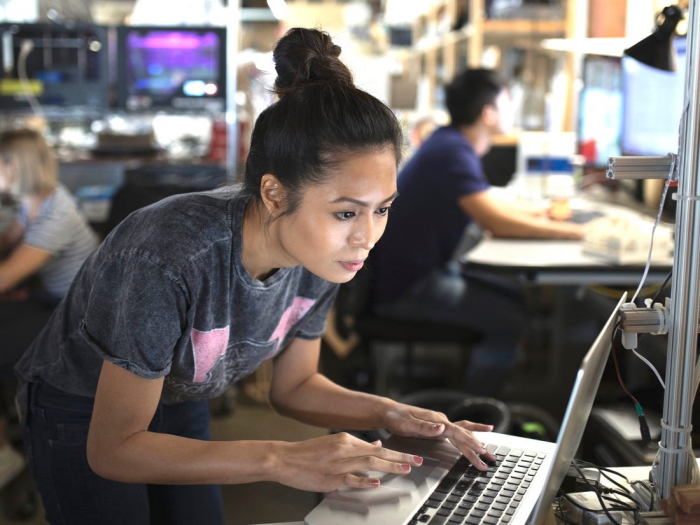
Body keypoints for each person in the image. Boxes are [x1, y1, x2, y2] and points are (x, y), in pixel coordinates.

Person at [14, 29, 495, 525]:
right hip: (83, 407)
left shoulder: (323, 255)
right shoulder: (171, 254)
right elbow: (114, 449)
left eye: (383, 210)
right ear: (274, 194)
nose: (367, 237)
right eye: (348, 213)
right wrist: (281, 459)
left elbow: (295, 385)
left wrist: (389, 414)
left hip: (178, 395)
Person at [371, 68, 585, 397]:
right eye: (507, 103)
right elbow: (496, 222)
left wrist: (543, 214)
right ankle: (480, 414)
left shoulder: (449, 143)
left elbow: (489, 203)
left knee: (515, 297)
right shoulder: (452, 152)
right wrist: (577, 234)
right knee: (511, 318)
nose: (511, 111)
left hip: (412, 274)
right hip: (408, 287)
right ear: (488, 113)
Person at [0, 128, 98, 490]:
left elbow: (5, 277)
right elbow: (6, 244)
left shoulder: (55, 212)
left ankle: (4, 459)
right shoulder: (33, 200)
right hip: (50, 299)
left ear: (13, 166)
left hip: (75, 317)